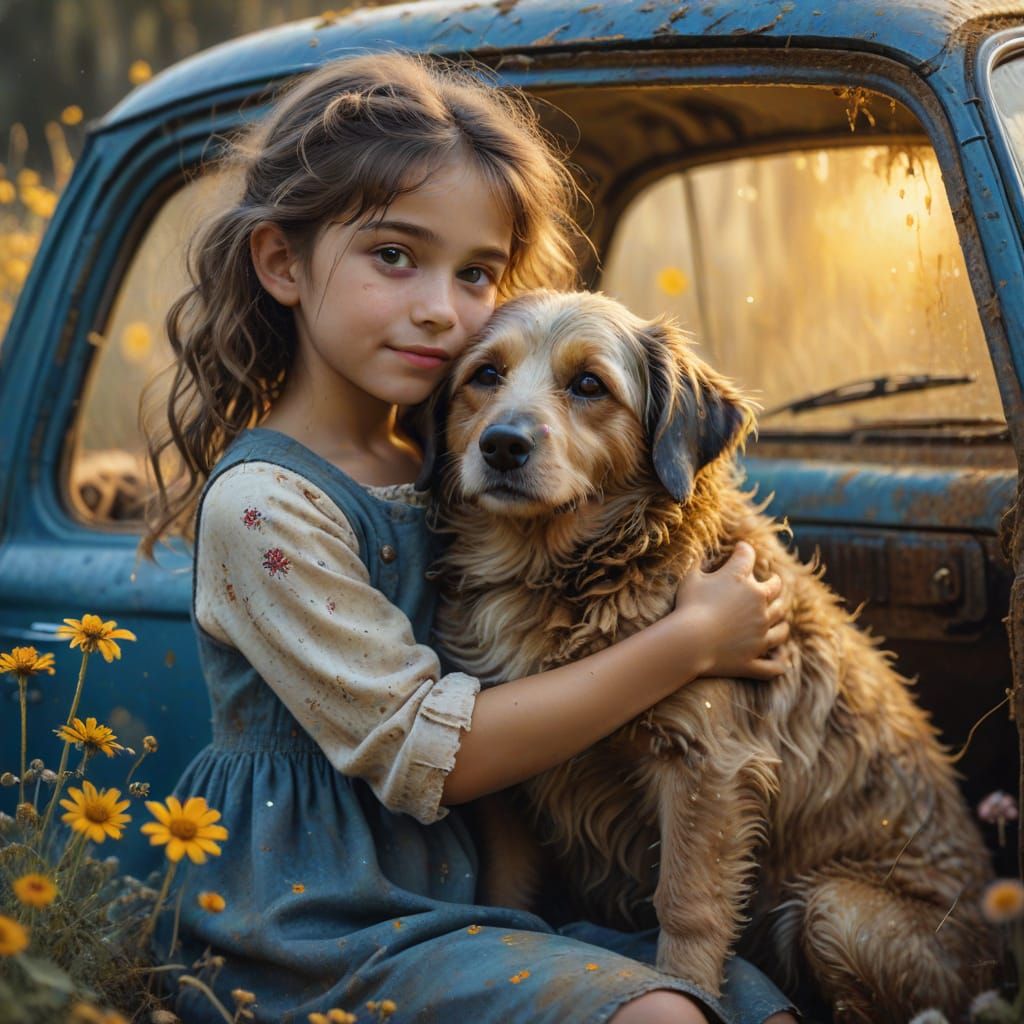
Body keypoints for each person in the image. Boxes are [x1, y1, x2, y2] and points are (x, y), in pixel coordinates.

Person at [139, 51, 797, 1024]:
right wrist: (689, 643)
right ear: (282, 262)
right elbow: (429, 753)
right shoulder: (265, 505)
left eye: (477, 271)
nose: (441, 308)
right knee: (666, 1015)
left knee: (759, 1001)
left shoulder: (449, 460)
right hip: (318, 921)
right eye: (395, 255)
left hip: (467, 901)